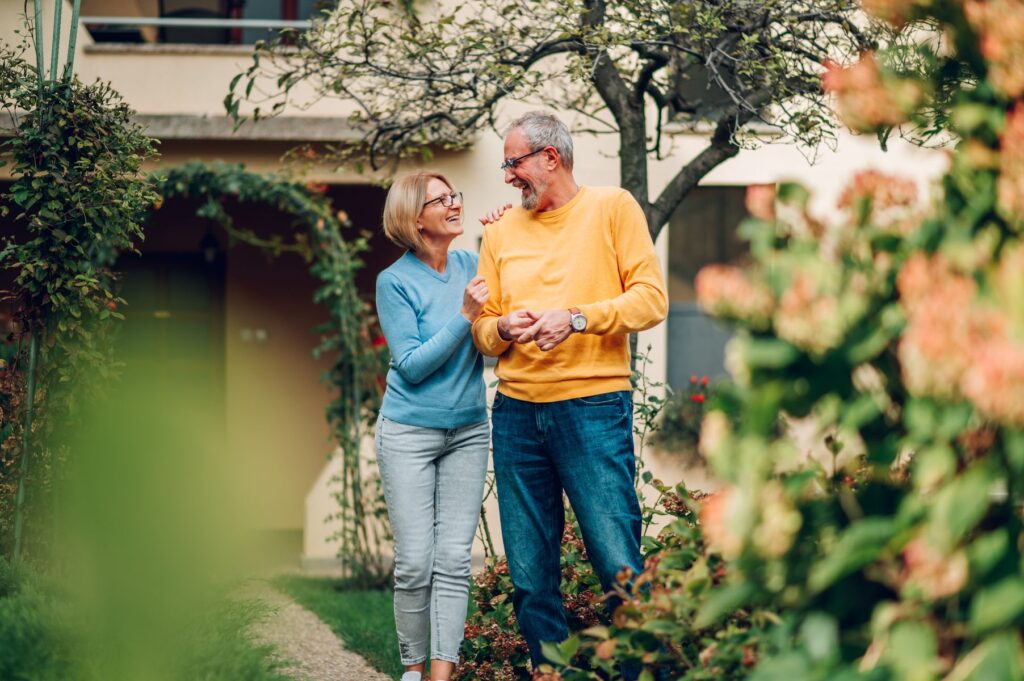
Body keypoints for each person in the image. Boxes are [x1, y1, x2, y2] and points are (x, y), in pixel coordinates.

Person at [471, 111, 669, 668]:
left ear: (549, 158)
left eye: (514, 163)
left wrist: (577, 318)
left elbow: (652, 300)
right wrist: (502, 328)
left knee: (617, 564)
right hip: (515, 415)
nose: (507, 176)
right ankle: (549, 673)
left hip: (592, 409)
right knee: (531, 577)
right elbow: (484, 327)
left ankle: (641, 673)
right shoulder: (500, 229)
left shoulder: (612, 208)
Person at [375, 172, 492, 681]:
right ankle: (412, 669)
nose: (453, 204)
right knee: (416, 562)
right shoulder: (394, 281)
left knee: (453, 560)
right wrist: (465, 316)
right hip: (409, 433)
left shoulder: (472, 263)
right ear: (413, 217)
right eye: (439, 200)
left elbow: (497, 327)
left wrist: (507, 234)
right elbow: (413, 365)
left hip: (468, 429)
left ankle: (441, 677)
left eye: (454, 196)